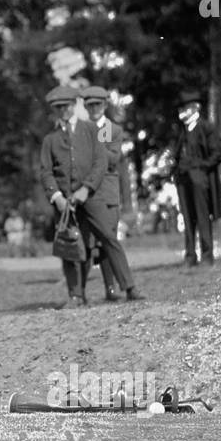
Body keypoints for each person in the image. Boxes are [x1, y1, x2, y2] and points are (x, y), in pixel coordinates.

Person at [39, 85, 142, 307]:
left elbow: (101, 163)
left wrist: (86, 189)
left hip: (92, 196)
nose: (63, 111)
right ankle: (76, 294)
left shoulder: (92, 131)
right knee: (71, 245)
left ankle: (129, 287)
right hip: (65, 202)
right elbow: (46, 172)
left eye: (66, 106)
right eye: (58, 108)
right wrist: (56, 196)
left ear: (74, 107)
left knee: (108, 238)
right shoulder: (50, 140)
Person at [81, 85, 133, 298]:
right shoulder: (80, 130)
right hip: (87, 193)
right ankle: (81, 292)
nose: (94, 109)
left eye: (98, 104)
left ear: (105, 106)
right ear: (85, 107)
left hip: (108, 193)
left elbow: (113, 159)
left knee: (107, 239)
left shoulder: (113, 130)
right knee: (88, 243)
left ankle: (111, 287)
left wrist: (93, 147)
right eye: (90, 105)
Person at [171, 91, 221, 267]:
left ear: (195, 108)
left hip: (199, 179)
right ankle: (190, 255)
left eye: (185, 108)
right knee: (187, 218)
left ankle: (207, 254)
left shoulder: (206, 128)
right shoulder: (181, 131)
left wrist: (200, 167)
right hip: (183, 179)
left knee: (202, 216)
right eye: (181, 108)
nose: (182, 111)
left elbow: (216, 154)